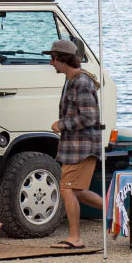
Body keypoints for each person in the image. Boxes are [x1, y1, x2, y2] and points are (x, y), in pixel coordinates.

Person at [47, 38, 104, 249]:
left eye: (53, 59)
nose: (51, 63)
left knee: (66, 188)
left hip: (83, 146)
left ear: (63, 59)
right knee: (77, 190)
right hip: (75, 146)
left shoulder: (81, 82)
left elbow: (90, 117)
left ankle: (75, 238)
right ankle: (114, 211)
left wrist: (62, 124)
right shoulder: (70, 80)